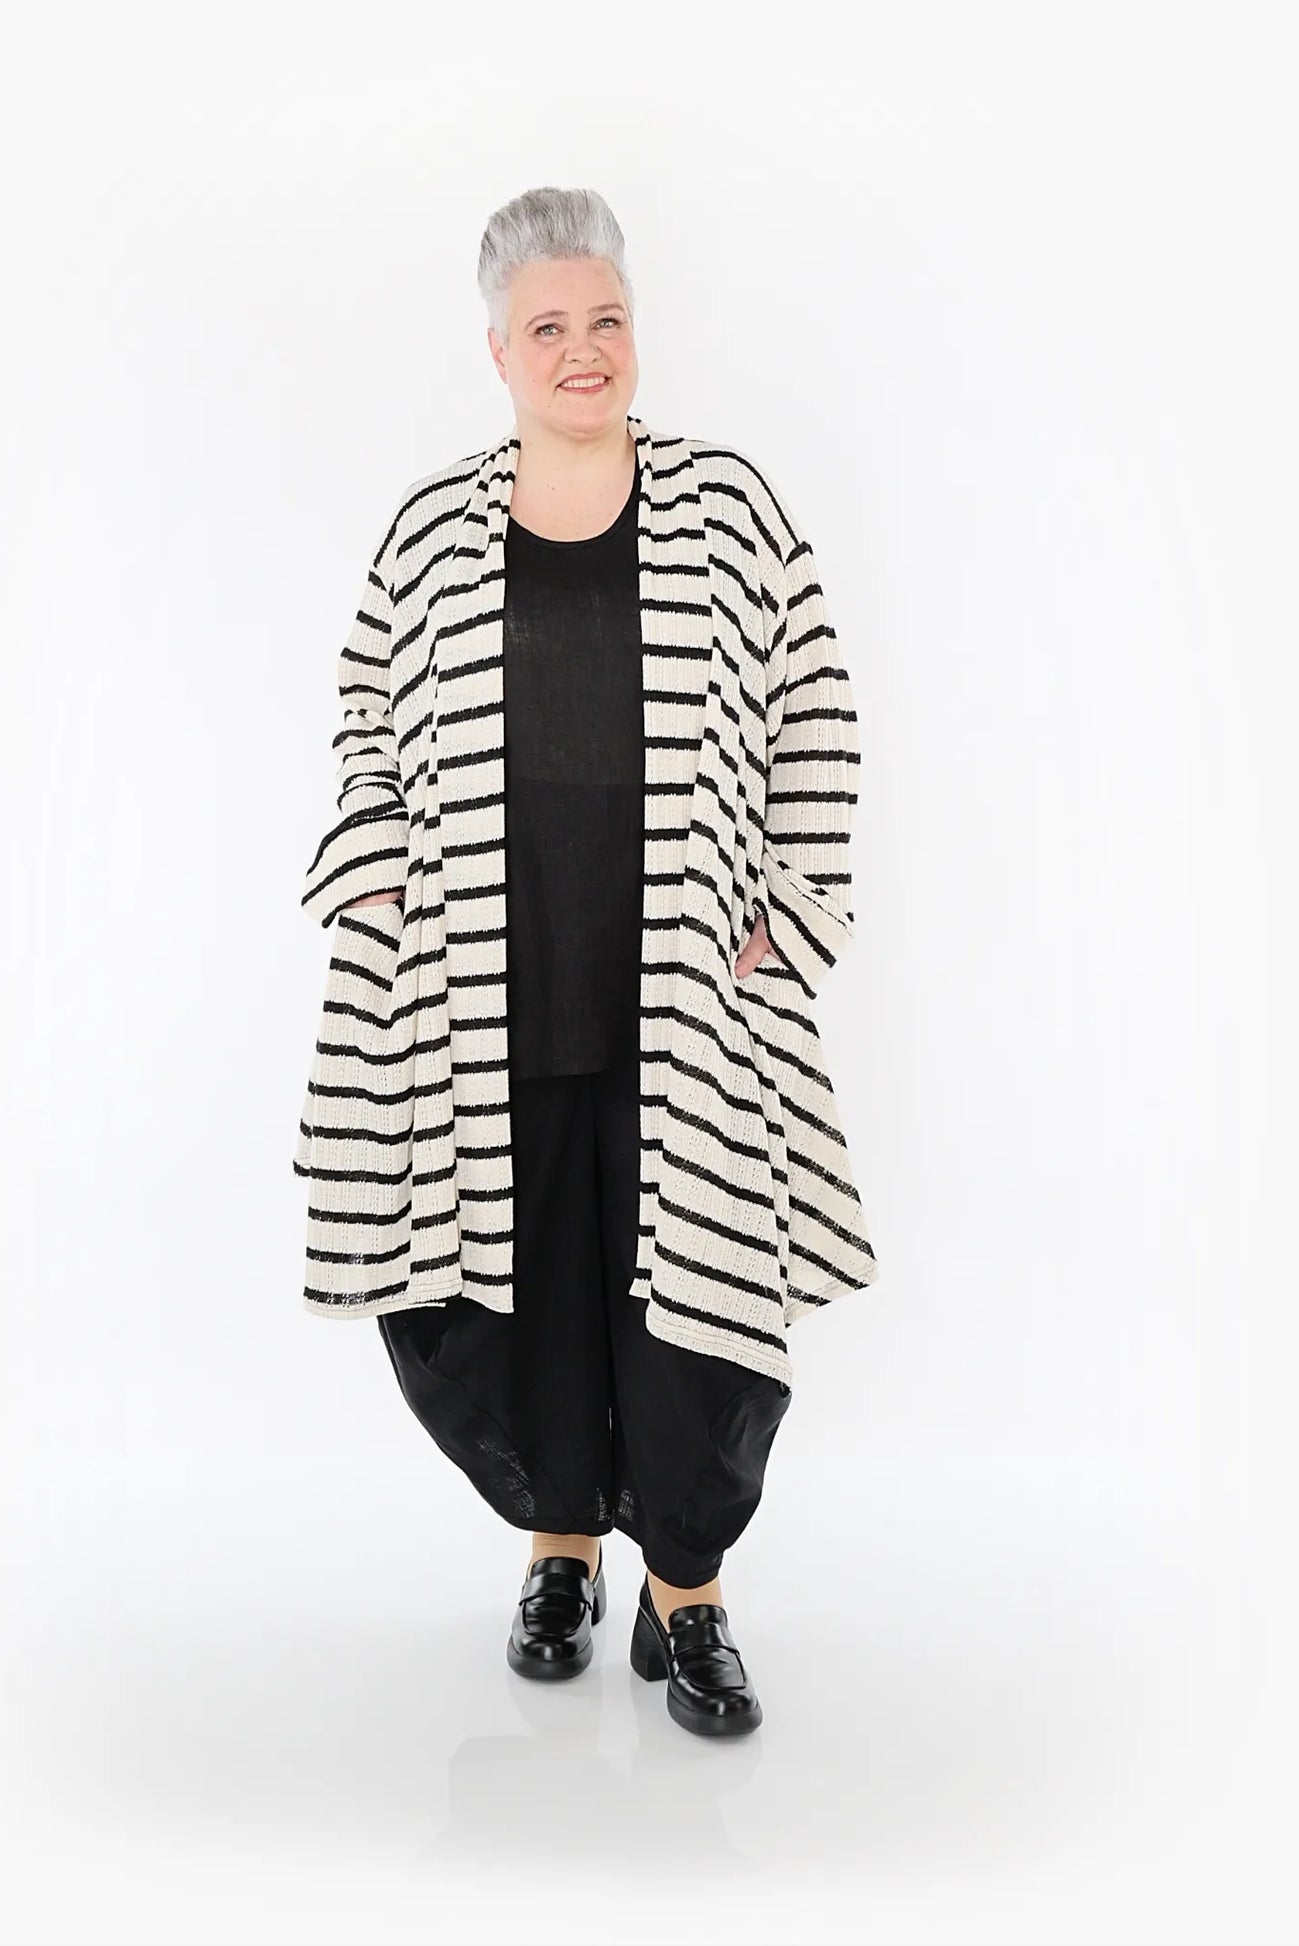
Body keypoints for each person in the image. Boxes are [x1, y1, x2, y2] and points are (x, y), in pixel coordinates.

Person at [294, 186, 878, 1738]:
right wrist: (377, 878)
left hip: (687, 1001)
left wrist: (794, 904)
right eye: (546, 325)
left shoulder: (730, 508)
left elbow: (815, 706)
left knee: (695, 1317)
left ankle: (687, 1590)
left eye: (604, 319)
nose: (581, 349)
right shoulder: (429, 530)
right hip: (484, 994)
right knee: (523, 1301)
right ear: (497, 351)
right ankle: (560, 1552)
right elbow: (364, 720)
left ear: (634, 331)